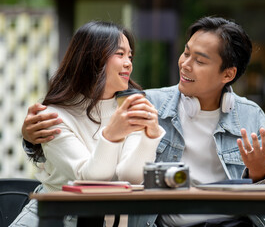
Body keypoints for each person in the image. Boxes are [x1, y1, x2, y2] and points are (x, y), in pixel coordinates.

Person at [21, 16, 265, 227]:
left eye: (200, 60)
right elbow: (87, 127)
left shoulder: (251, 116)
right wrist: (30, 138)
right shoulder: (148, 104)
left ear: (227, 74)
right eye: (186, 53)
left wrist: (260, 174)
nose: (185, 64)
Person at [11, 21, 165, 227]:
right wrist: (112, 135)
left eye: (130, 56)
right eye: (119, 54)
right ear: (92, 58)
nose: (129, 63)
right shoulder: (52, 115)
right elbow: (90, 180)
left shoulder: (128, 106)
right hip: (54, 218)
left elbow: (132, 177)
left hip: (108, 220)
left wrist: (149, 137)